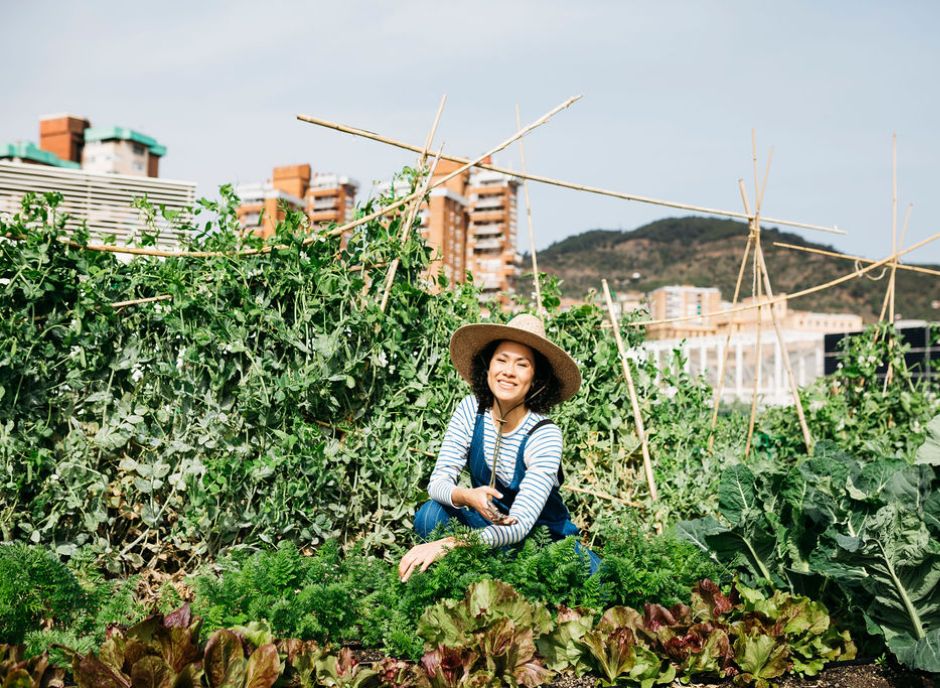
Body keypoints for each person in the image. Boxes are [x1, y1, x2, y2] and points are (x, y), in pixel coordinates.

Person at [398, 313, 600, 583]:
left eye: (522, 364)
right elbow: (437, 483)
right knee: (429, 515)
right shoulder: (471, 410)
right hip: (488, 530)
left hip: (542, 543)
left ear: (536, 377)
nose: (508, 371)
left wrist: (450, 544)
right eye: (501, 360)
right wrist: (467, 496)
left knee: (594, 579)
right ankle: (484, 573)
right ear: (488, 367)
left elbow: (519, 527)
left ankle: (486, 571)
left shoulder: (544, 435)